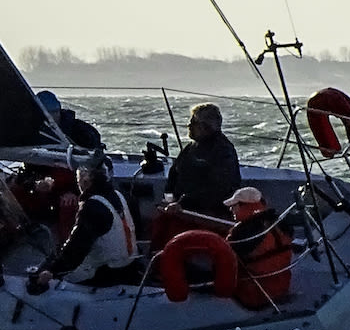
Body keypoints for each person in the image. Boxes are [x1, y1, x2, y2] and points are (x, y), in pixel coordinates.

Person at [34, 157, 141, 288]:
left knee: (52, 275)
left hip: (107, 274)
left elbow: (75, 250)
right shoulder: (121, 195)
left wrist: (51, 270)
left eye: (78, 180)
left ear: (86, 180)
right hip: (129, 265)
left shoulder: (92, 207)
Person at [164, 102, 242, 219]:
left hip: (208, 214)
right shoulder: (191, 148)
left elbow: (216, 189)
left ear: (206, 126)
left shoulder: (223, 151)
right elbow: (174, 173)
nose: (189, 125)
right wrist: (169, 198)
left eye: (193, 122)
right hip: (182, 209)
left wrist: (182, 203)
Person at [35, 90, 103, 151]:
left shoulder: (80, 130)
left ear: (59, 110)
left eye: (55, 112)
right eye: (46, 113)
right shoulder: (31, 129)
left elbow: (94, 152)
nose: (51, 117)